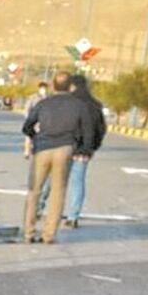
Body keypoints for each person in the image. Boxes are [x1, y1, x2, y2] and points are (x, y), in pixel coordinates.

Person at [21, 72, 92, 244]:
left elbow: (27, 126)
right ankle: (49, 235)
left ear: (53, 86)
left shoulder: (44, 103)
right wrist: (82, 150)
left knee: (34, 191)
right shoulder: (79, 106)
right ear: (70, 87)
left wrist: (36, 138)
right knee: (58, 192)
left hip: (43, 149)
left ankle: (28, 232)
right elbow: (87, 131)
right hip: (65, 149)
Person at [59, 74, 107, 228]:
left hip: (64, 146)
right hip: (83, 151)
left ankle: (41, 209)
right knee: (77, 183)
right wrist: (92, 147)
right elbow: (101, 129)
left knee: (53, 181)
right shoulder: (95, 105)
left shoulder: (68, 102)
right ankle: (73, 217)